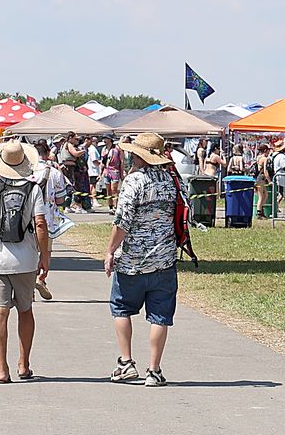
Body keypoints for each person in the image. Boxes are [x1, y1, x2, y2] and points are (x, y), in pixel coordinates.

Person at [105, 133, 181, 388]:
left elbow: (122, 222)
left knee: (121, 308)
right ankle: (154, 370)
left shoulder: (133, 181)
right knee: (160, 316)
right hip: (164, 259)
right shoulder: (172, 180)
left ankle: (126, 363)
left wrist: (109, 251)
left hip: (132, 261)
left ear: (139, 156)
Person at [0, 141, 50, 384]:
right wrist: (44, 255)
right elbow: (40, 224)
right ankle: (24, 364)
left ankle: (2, 369)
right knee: (25, 311)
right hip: (25, 261)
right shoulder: (34, 189)